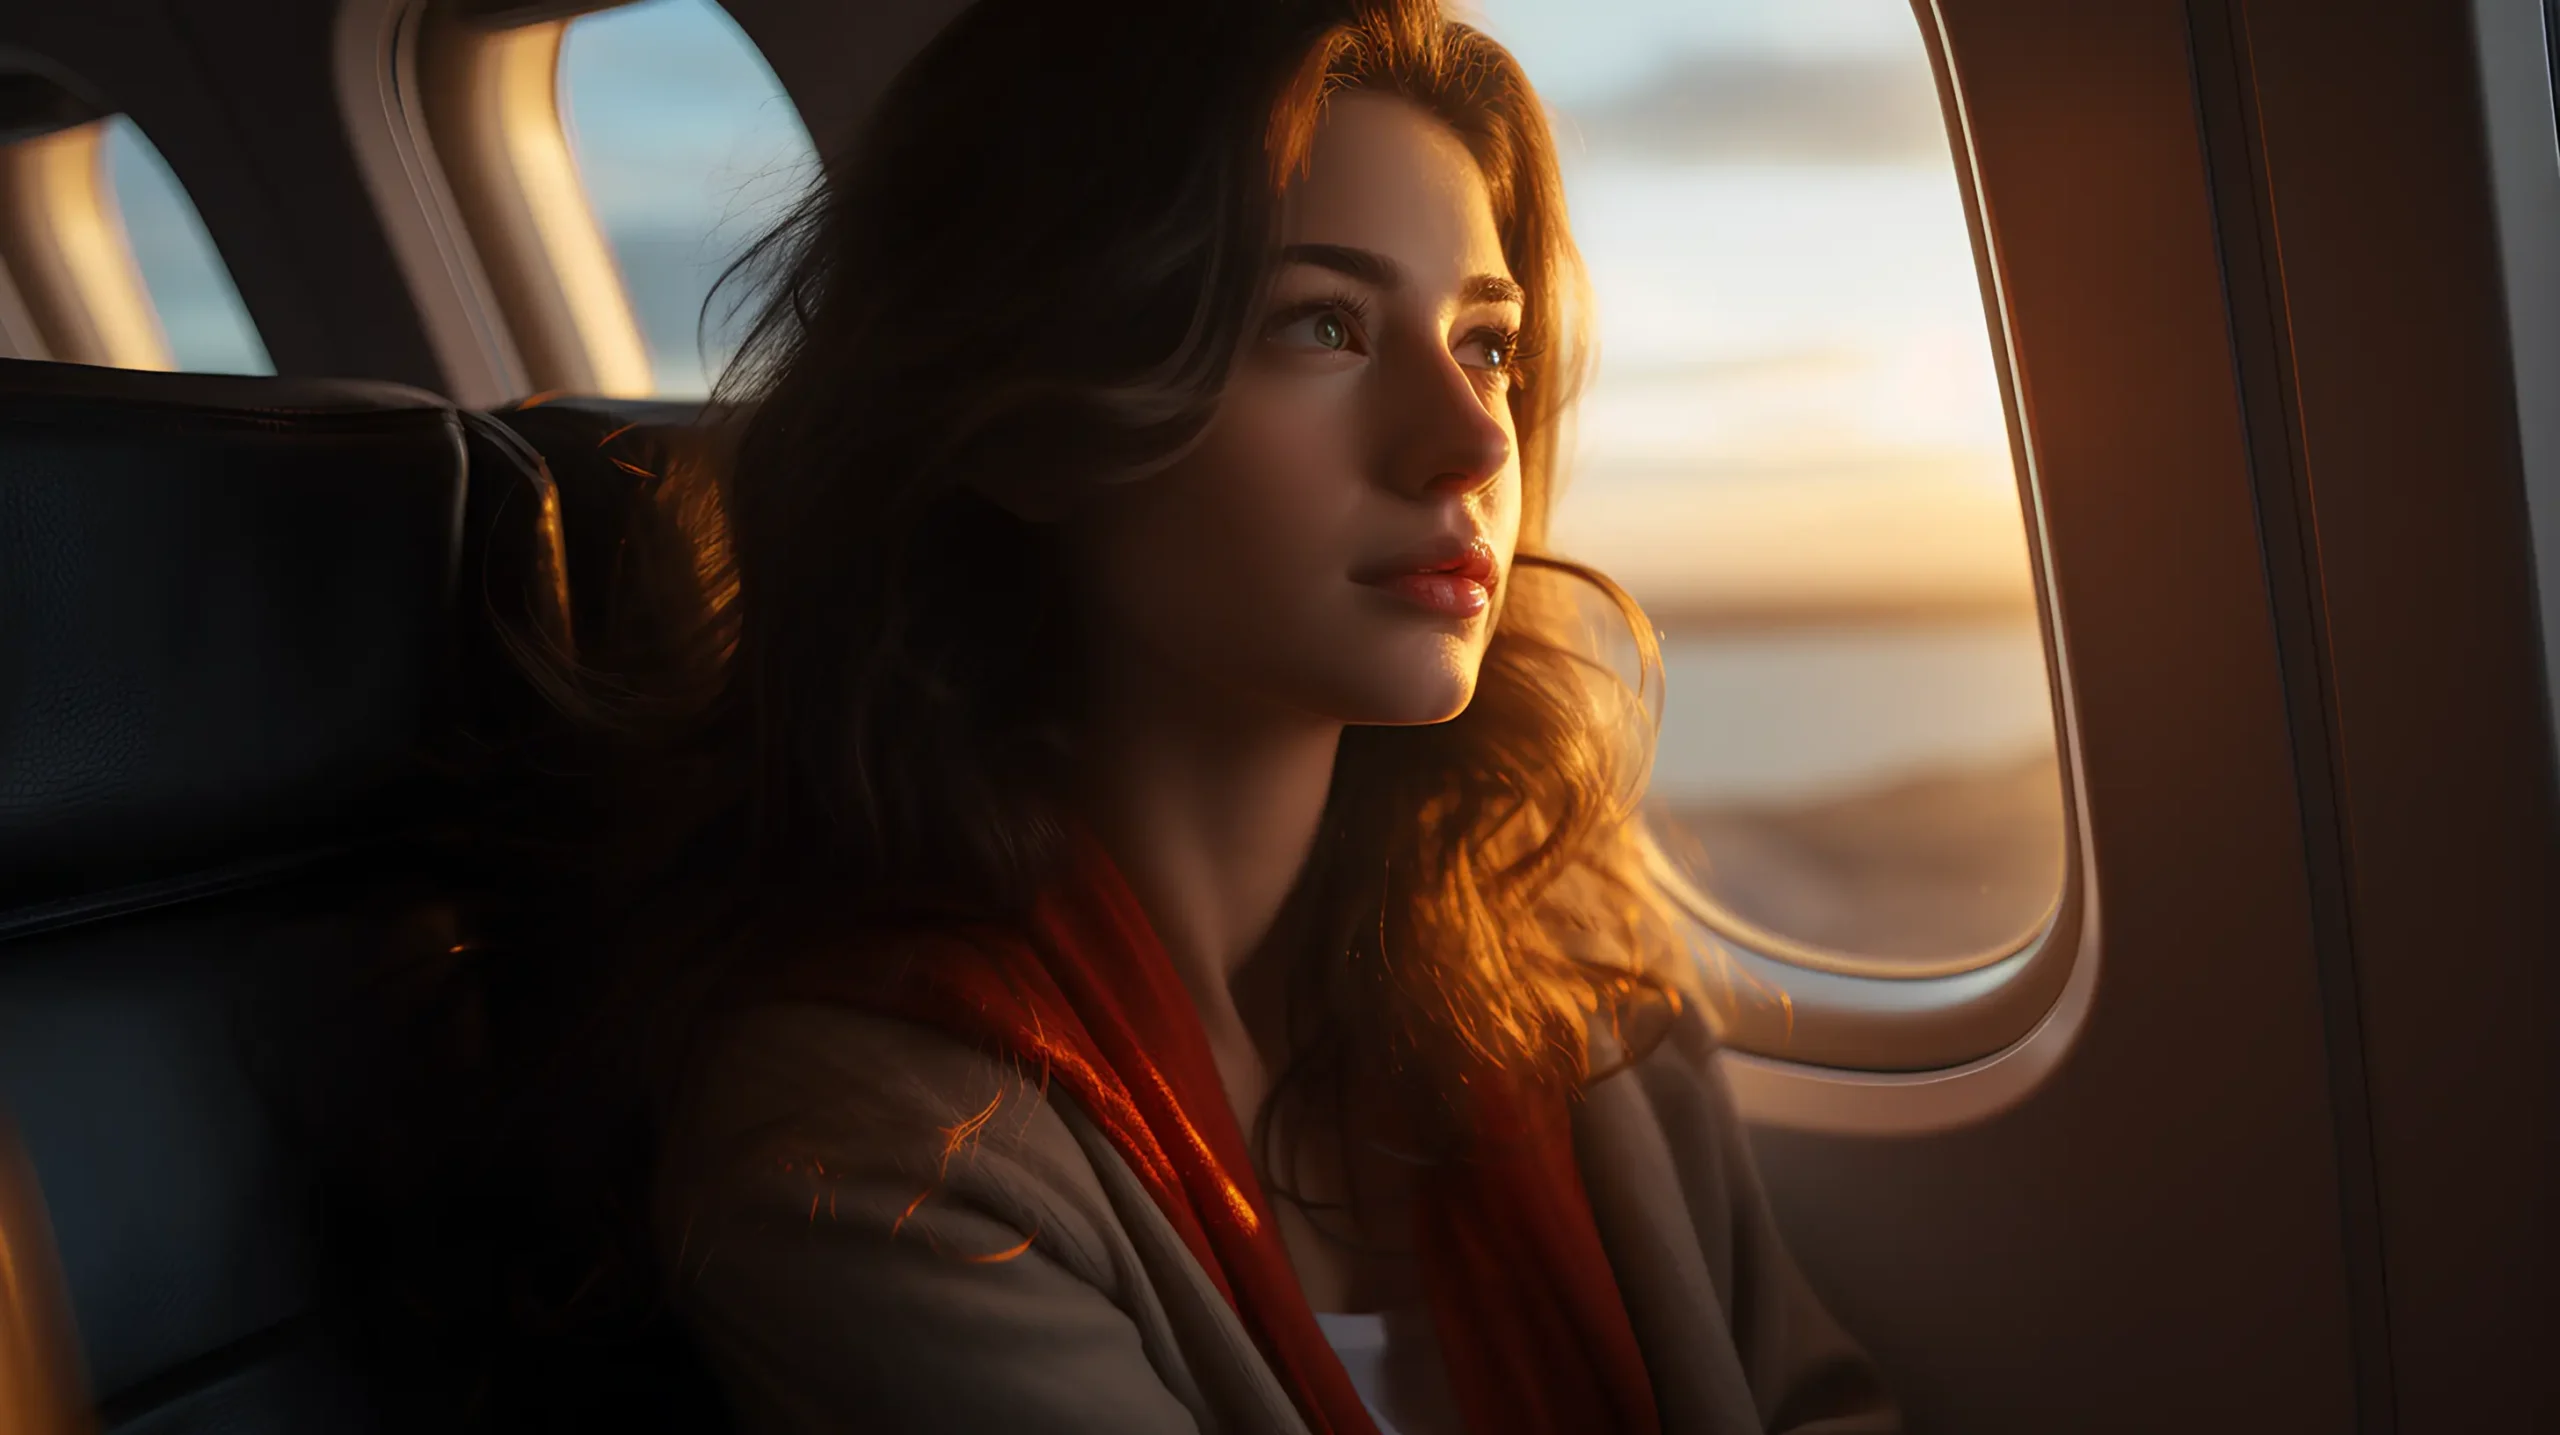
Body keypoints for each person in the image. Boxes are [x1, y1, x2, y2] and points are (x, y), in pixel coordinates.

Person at [372, 2, 1902, 1431]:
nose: (1468, 439)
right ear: (1034, 428)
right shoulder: (873, 1153)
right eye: (1324, 326)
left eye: (1488, 340)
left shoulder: (1566, 977)